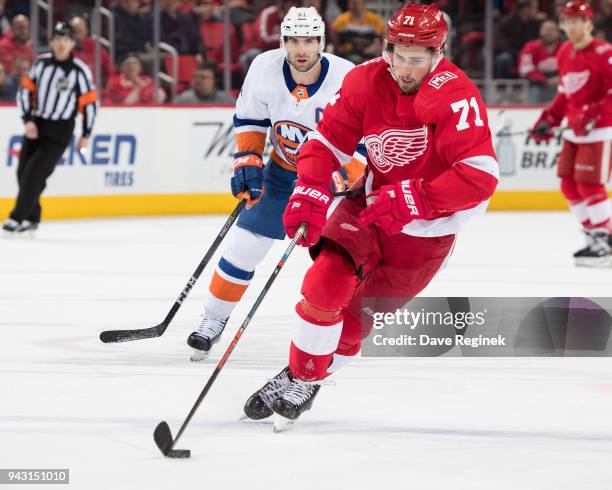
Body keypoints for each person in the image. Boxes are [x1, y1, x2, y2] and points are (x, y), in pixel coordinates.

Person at [241, 3, 498, 429]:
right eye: (399, 55)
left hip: (429, 231)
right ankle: (304, 373)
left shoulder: (456, 94)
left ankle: (304, 375)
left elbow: (480, 177)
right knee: (326, 279)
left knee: (356, 322)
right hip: (371, 204)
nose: (405, 68)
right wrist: (309, 187)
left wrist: (419, 199)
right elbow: (327, 142)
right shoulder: (364, 80)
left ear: (438, 54)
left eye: (418, 60)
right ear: (387, 47)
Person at [186, 6, 364, 361]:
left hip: (332, 185)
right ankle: (213, 320)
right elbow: (251, 118)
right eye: (294, 40)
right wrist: (249, 160)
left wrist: (338, 178)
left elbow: (363, 139)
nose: (301, 49)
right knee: (243, 246)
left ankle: (336, 338)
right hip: (282, 174)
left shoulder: (348, 77)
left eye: (309, 41)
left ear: (321, 42)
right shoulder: (264, 68)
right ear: (283, 41)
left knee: (337, 266)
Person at [530, 1, 612, 267]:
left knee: (589, 183)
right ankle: (593, 235)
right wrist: (549, 119)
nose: (571, 27)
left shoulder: (604, 52)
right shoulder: (565, 52)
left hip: (600, 130)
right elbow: (565, 93)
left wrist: (592, 115)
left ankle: (605, 237)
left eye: (577, 21)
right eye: (567, 22)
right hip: (575, 131)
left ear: (589, 23)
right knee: (568, 183)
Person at [2, 22, 97, 233]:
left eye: (66, 39)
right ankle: (33, 217)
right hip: (37, 124)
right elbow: (25, 92)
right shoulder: (41, 64)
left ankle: (17, 217)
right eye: (58, 39)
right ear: (52, 42)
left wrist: (86, 133)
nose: (61, 43)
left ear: (72, 43)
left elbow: (90, 103)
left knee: (34, 174)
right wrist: (28, 120)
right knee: (22, 172)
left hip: (60, 131)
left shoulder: (80, 71)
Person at [518, 19, 562, 103]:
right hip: (537, 85)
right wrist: (545, 80)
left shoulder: (565, 48)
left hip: (561, 84)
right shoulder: (530, 47)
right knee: (535, 92)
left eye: (552, 30)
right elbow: (525, 69)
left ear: (558, 33)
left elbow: (573, 68)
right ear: (540, 31)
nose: (548, 32)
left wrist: (561, 78)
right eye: (545, 29)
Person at [332, 0, 385, 64]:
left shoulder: (375, 20)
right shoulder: (341, 20)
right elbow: (338, 45)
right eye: (349, 2)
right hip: (348, 57)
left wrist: (378, 47)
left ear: (363, 3)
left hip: (369, 57)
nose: (350, 6)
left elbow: (382, 41)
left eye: (354, 3)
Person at [70, 16, 115, 86]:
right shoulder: (64, 49)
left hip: (94, 90)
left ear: (86, 30)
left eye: (80, 31)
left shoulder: (95, 47)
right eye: (74, 32)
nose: (77, 35)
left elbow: (110, 71)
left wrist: (106, 88)